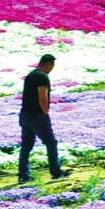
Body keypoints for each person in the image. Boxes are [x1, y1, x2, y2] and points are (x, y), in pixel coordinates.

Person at [18, 54, 69, 184]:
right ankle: (56, 171)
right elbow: (42, 96)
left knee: (27, 145)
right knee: (51, 143)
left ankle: (23, 174)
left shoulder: (30, 75)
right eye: (51, 66)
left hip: (25, 115)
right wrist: (45, 112)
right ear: (48, 64)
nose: (51, 70)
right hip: (37, 116)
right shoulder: (42, 77)